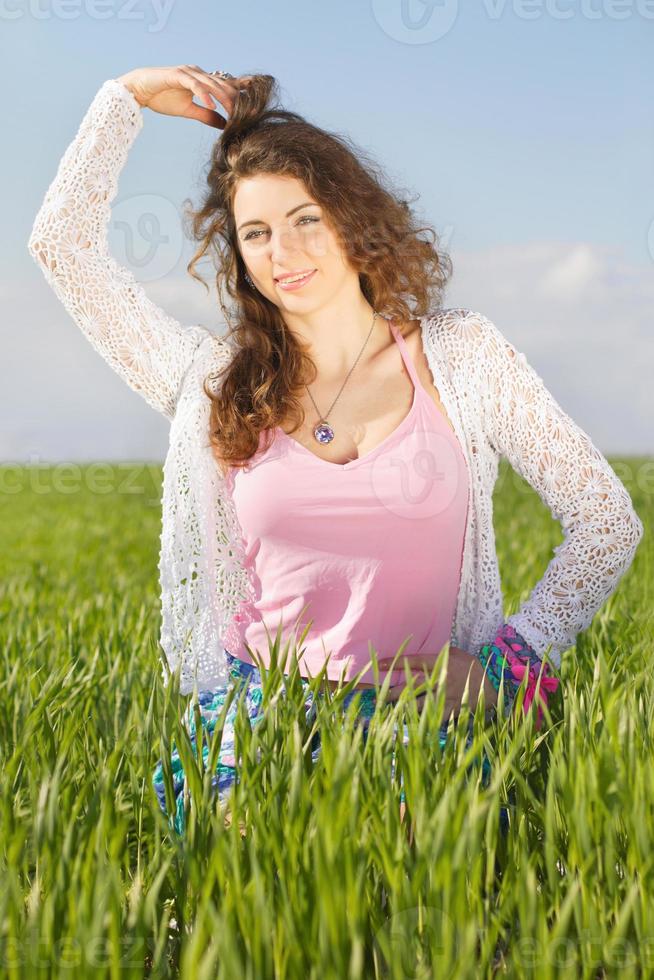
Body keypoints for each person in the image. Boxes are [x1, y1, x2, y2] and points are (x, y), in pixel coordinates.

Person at [27, 65, 644, 838]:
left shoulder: (462, 357)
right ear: (239, 254)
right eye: (256, 233)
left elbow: (605, 518)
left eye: (304, 218)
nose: (283, 251)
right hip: (258, 727)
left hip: (423, 724)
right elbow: (62, 247)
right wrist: (123, 100)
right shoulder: (215, 381)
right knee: (253, 895)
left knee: (410, 902)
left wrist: (506, 667)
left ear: (350, 217)